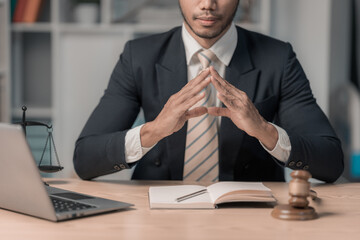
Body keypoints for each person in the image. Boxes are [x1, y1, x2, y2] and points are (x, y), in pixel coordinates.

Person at [73, 0, 344, 183]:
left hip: (251, 219)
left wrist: (264, 129)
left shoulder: (278, 58)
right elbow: (85, 159)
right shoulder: (139, 56)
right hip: (158, 218)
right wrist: (153, 130)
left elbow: (330, 162)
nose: (207, 4)